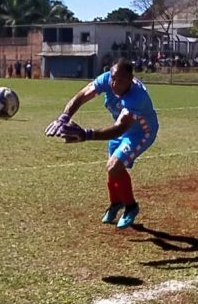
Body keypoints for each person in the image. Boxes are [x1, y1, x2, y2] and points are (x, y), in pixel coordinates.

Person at [45, 58, 158, 229]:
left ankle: (131, 207)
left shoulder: (137, 97)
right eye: (113, 78)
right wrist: (64, 117)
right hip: (121, 129)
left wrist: (86, 135)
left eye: (120, 80)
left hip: (140, 132)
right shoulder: (107, 79)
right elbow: (82, 95)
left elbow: (120, 128)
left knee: (114, 167)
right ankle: (115, 204)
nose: (114, 83)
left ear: (130, 80)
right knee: (112, 170)